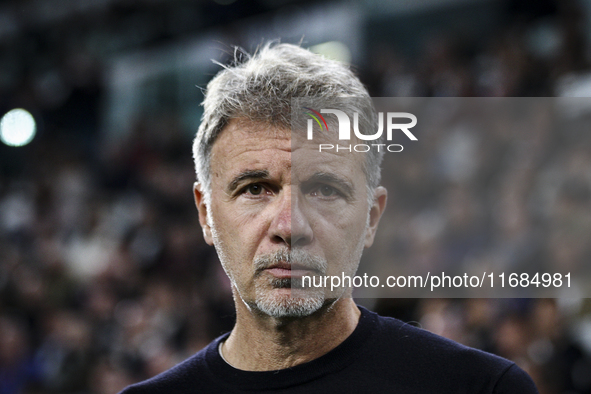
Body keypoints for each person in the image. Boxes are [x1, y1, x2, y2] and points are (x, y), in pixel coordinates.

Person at [119, 42, 538, 393]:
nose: (289, 226)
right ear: (206, 213)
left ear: (371, 217)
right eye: (255, 189)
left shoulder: (482, 389)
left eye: (324, 190)